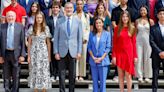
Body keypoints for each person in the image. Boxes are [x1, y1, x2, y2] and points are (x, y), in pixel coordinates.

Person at [54, 2, 82, 92]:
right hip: (62, 52)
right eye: (67, 8)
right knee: (61, 75)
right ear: (64, 9)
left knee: (72, 75)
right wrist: (56, 52)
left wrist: (79, 52)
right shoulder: (59, 21)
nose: (69, 9)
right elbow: (56, 38)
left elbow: (79, 38)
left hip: (73, 52)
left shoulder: (78, 21)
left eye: (70, 8)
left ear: (73, 9)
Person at [0, 11, 26, 92]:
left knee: (16, 75)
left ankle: (15, 90)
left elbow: (22, 41)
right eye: (9, 16)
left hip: (16, 54)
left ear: (15, 17)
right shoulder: (1, 27)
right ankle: (7, 90)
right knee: (6, 75)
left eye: (12, 16)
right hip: (5, 54)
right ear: (6, 18)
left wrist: (22, 55)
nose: (10, 18)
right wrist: (0, 56)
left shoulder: (20, 26)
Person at [112, 11, 137, 92]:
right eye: (123, 17)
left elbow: (134, 44)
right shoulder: (116, 28)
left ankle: (129, 91)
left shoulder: (132, 28)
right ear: (121, 18)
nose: (125, 18)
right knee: (120, 76)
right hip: (119, 54)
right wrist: (114, 56)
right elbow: (114, 43)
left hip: (129, 54)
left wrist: (135, 56)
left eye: (126, 16)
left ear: (129, 18)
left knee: (128, 75)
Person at [27, 11, 52, 92]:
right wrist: (29, 56)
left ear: (43, 19)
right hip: (34, 52)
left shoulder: (46, 28)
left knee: (44, 70)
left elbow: (48, 43)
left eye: (40, 17)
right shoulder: (31, 28)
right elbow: (29, 43)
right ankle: (35, 88)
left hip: (43, 52)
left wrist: (49, 56)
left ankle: (44, 89)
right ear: (35, 18)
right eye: (37, 17)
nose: (39, 19)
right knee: (34, 70)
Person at [88, 17, 111, 92]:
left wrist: (101, 58)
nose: (98, 24)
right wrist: (93, 57)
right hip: (93, 61)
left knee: (103, 82)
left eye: (99, 23)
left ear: (102, 24)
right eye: (96, 23)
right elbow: (89, 47)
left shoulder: (107, 34)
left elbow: (108, 48)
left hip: (103, 61)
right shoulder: (91, 34)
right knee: (94, 82)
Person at [135, 5, 154, 83]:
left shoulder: (151, 21)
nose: (143, 12)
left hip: (148, 41)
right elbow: (135, 32)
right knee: (139, 58)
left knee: (148, 58)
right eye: (141, 10)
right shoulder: (137, 21)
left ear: (147, 11)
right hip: (138, 40)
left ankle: (147, 76)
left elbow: (153, 32)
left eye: (144, 10)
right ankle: (139, 76)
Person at [46, 1, 63, 81]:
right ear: (51, 9)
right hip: (51, 41)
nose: (55, 9)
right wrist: (51, 37)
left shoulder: (63, 18)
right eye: (53, 7)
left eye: (56, 7)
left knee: (59, 58)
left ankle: (59, 74)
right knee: (52, 58)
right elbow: (47, 30)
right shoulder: (48, 19)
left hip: (60, 42)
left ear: (59, 9)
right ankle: (52, 74)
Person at [74, 0, 90, 81]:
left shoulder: (86, 16)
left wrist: (86, 38)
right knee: (75, 57)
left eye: (81, 4)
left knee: (83, 57)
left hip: (83, 40)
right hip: (74, 40)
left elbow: (88, 28)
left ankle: (81, 75)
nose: (79, 6)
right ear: (76, 5)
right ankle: (76, 74)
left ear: (83, 5)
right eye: (78, 4)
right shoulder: (73, 15)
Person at [150, 8, 164, 92]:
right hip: (156, 54)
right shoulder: (153, 27)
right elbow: (151, 41)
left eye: (163, 13)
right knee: (155, 74)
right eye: (160, 14)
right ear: (157, 16)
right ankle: (154, 90)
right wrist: (159, 52)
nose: (162, 15)